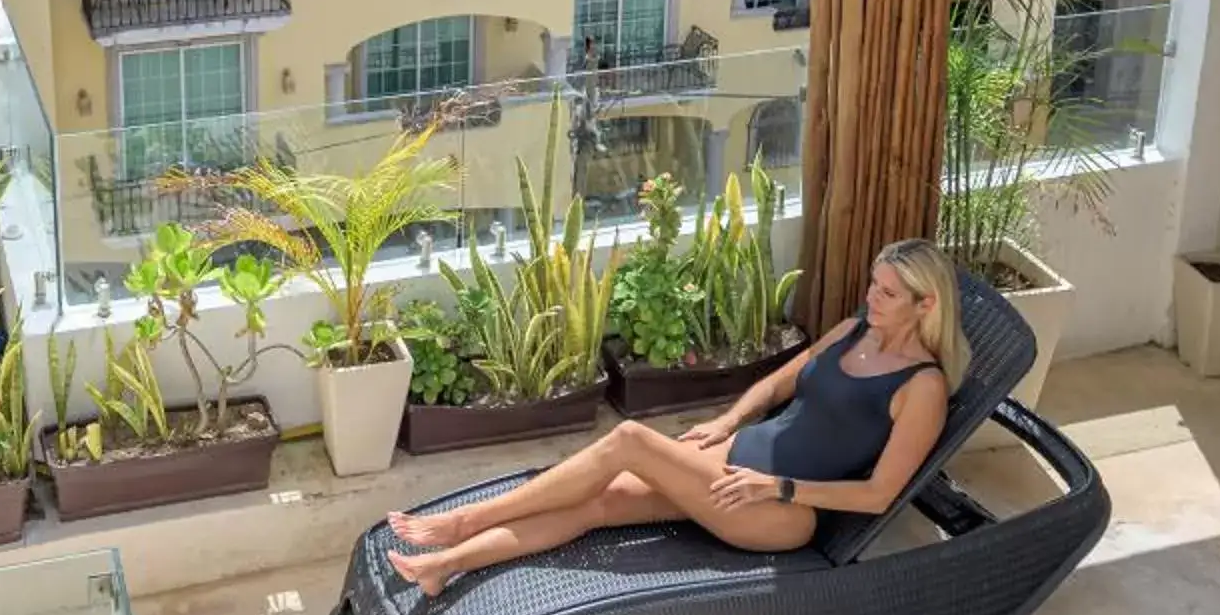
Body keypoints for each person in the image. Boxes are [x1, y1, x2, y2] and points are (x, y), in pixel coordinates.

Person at [388, 237, 966, 596]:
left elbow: (878, 495)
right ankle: (446, 564)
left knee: (630, 439)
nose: (871, 296)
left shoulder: (922, 387)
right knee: (599, 501)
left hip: (780, 511)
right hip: (733, 463)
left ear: (926, 304)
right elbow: (774, 385)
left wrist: (779, 487)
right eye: (873, 282)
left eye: (887, 293)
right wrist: (727, 421)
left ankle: (465, 521)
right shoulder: (851, 333)